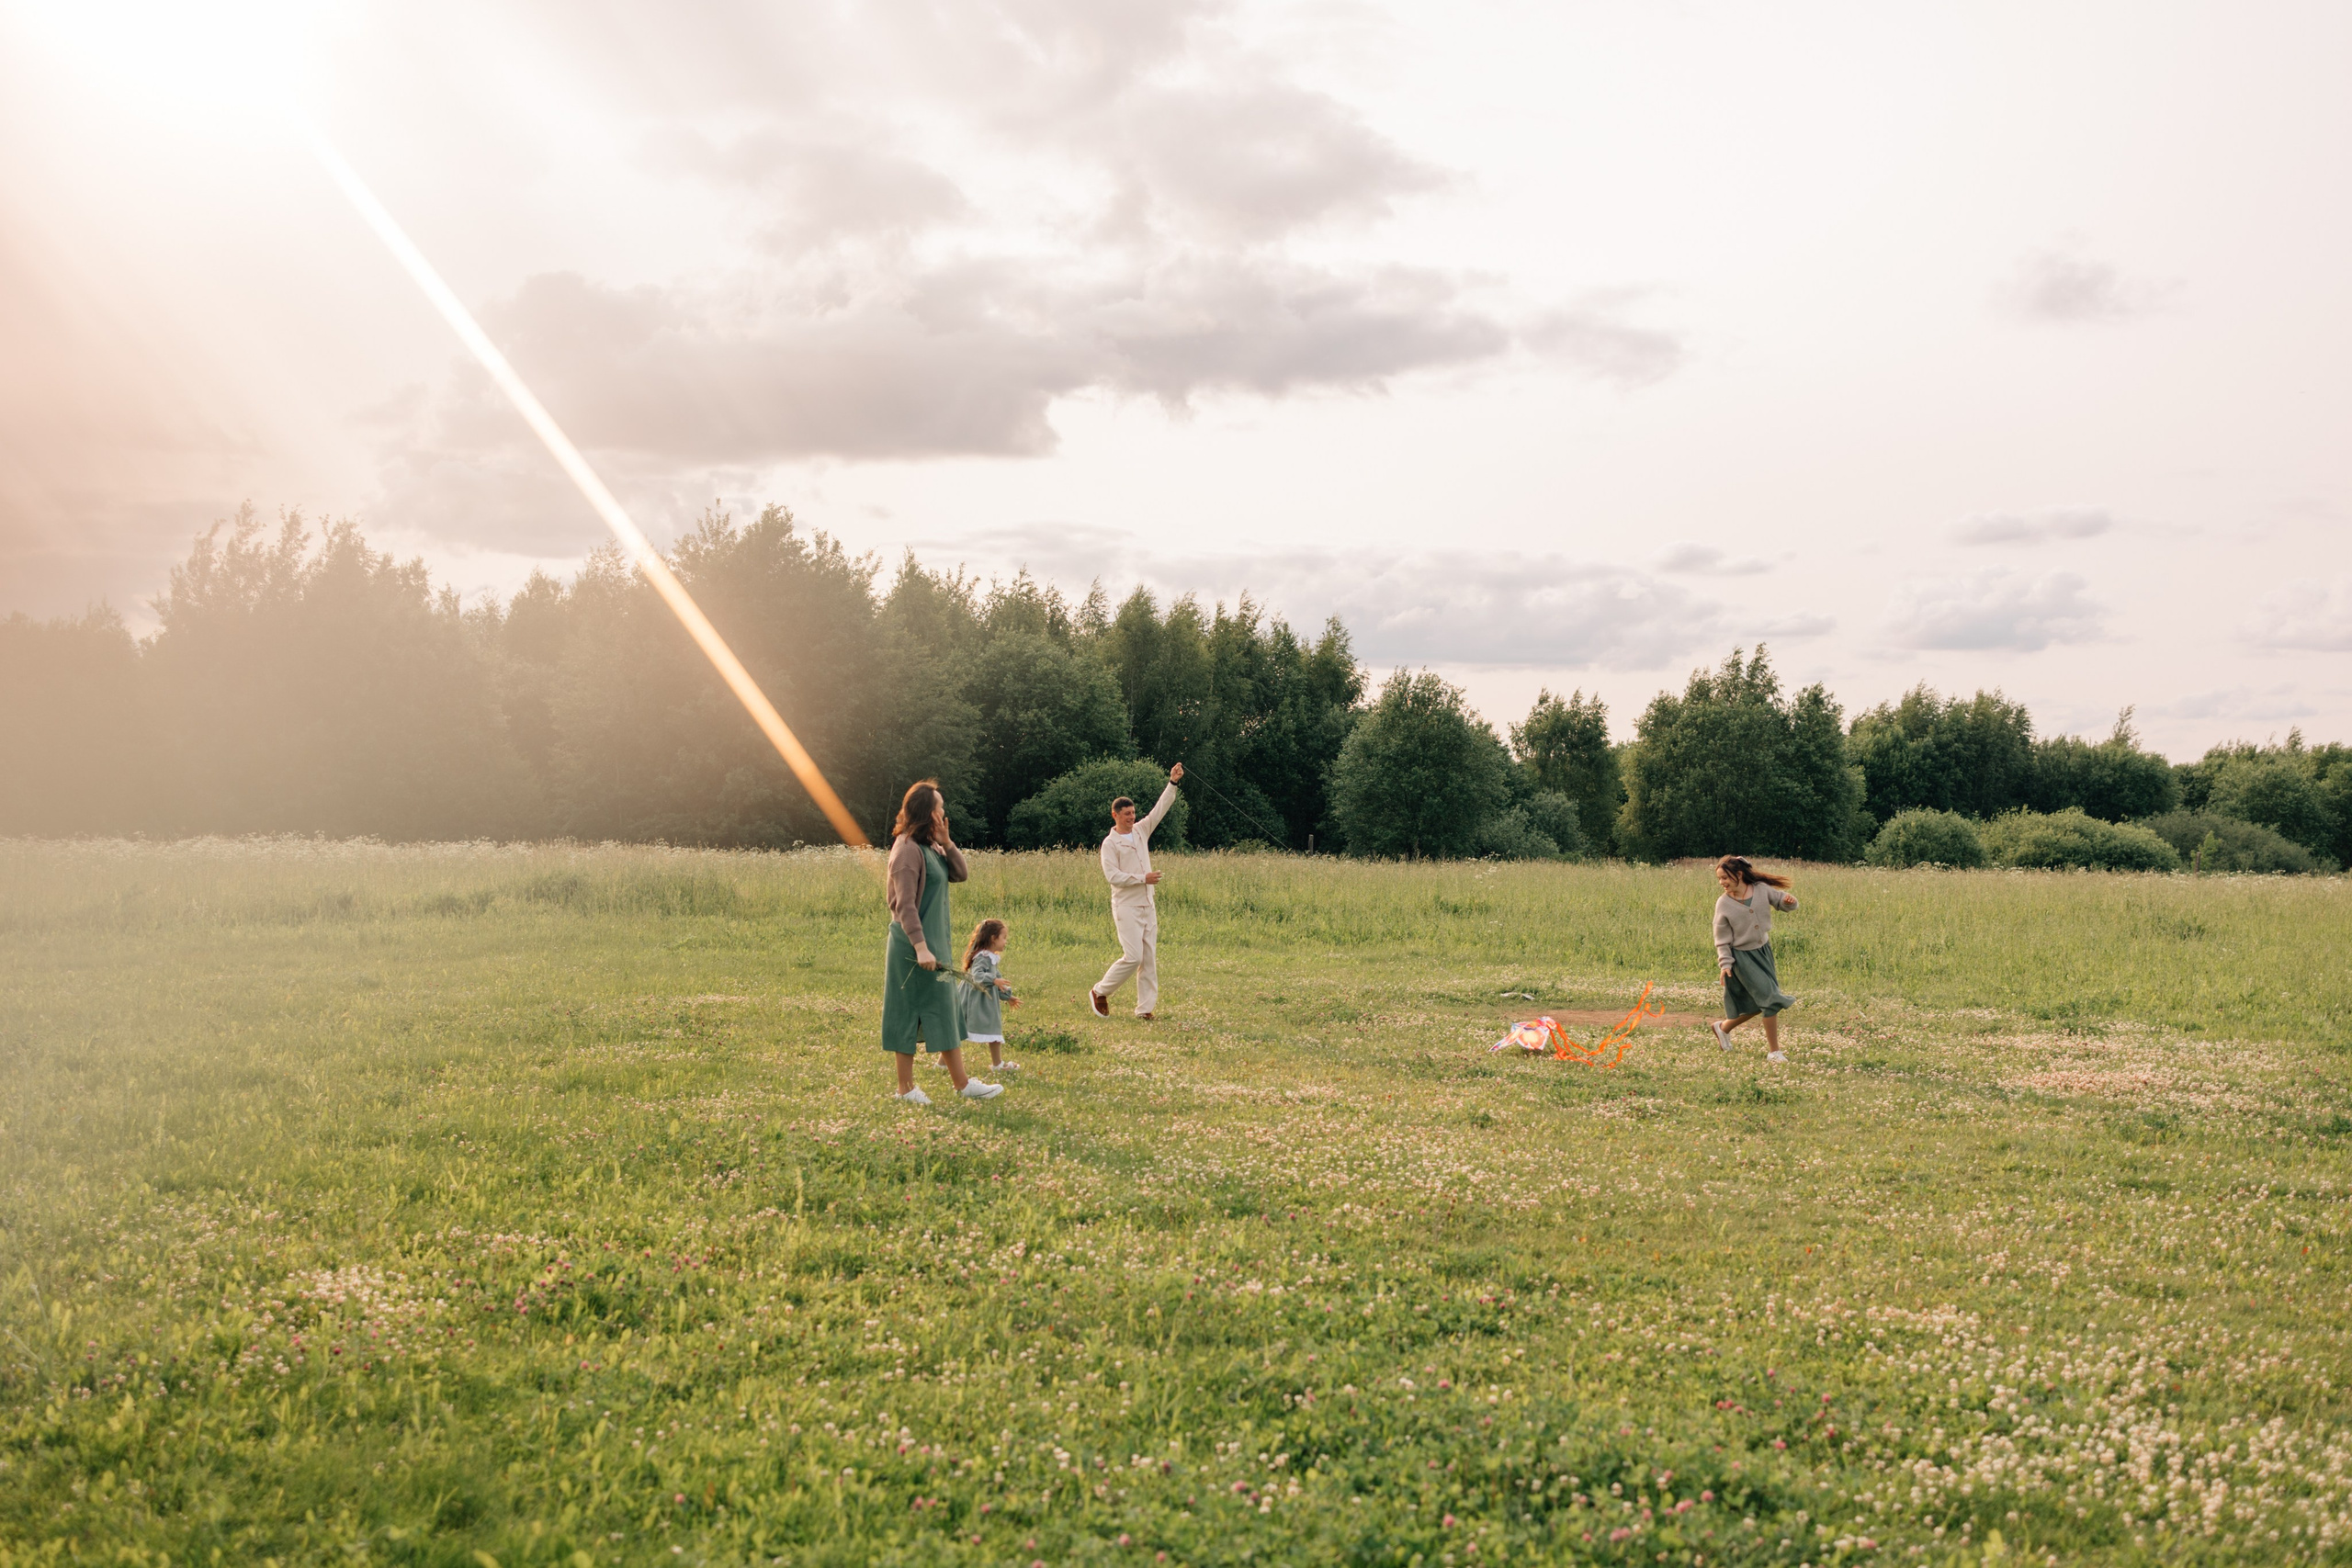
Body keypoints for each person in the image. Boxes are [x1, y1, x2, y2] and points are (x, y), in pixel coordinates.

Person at [881, 779, 1003, 1104]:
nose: (944, 812)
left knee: (945, 1010)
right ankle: (905, 1089)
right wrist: (920, 947)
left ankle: (962, 1084)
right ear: (927, 812)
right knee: (905, 1014)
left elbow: (960, 874)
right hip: (913, 947)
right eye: (940, 807)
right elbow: (904, 906)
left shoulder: (931, 846)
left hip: (934, 946)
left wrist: (948, 844)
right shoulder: (906, 850)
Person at [1087, 762, 1184, 1021]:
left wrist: (1172, 782)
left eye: (1133, 813)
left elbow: (1159, 810)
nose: (1132, 817)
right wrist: (1143, 878)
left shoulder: (1141, 831)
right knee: (1133, 956)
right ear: (1115, 815)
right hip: (1125, 906)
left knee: (1148, 959)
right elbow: (1113, 877)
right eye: (1127, 814)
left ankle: (1145, 1010)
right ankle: (1100, 991)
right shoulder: (1110, 844)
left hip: (1147, 905)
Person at [1710, 853, 1798, 1062]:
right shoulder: (1723, 904)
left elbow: (1782, 902)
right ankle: (1774, 1052)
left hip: (1764, 952)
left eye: (1725, 878)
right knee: (1770, 1000)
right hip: (1742, 958)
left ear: (1739, 874)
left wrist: (1789, 902)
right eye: (1719, 879)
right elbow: (1721, 938)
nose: (1722, 882)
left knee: (1761, 1003)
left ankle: (1723, 1028)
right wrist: (1725, 963)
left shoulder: (1760, 889)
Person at [959, 918, 1020, 1075]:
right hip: (975, 1001)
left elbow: (998, 980)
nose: (1006, 942)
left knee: (992, 1029)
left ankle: (997, 1063)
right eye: (1004, 938)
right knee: (960, 1030)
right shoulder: (982, 957)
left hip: (985, 1000)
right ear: (993, 938)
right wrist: (993, 980)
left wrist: (1007, 996)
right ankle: (997, 1065)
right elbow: (977, 975)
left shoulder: (991, 958)